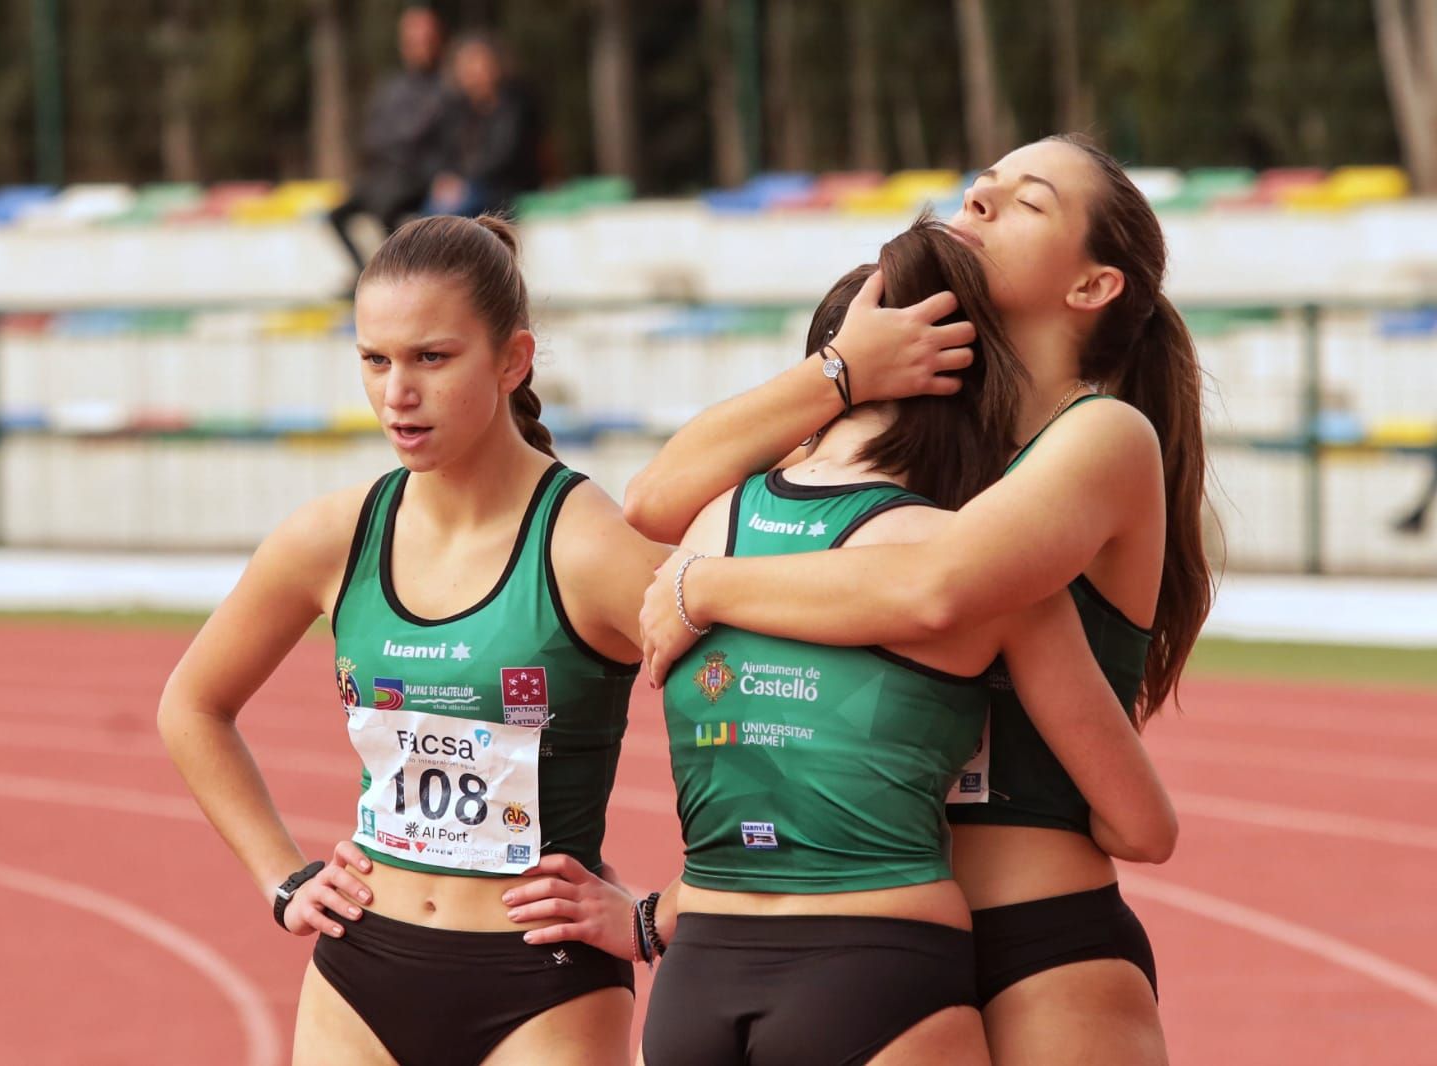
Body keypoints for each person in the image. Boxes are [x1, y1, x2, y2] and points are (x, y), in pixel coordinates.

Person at [503, 220, 1177, 1066]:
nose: (981, 210)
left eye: (1011, 203)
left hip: (723, 965)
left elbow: (917, 602)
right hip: (898, 949)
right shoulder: (981, 567)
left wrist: (702, 583)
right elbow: (1143, 826)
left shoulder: (710, 536)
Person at [159, 213, 667, 1065]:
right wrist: (281, 877)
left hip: (540, 982)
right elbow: (192, 705)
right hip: (362, 971)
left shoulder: (586, 545)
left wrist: (659, 914)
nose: (398, 391)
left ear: (513, 359)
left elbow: (753, 699)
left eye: (432, 358)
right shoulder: (333, 535)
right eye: (375, 359)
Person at [327, 6, 451, 277]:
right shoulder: (391, 87)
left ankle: (396, 276)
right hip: (384, 175)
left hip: (417, 179)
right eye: (413, 40)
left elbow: (445, 142)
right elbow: (374, 135)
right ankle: (365, 275)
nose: (420, 47)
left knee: (389, 210)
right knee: (336, 214)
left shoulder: (448, 87)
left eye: (425, 39)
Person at [426, 34, 541, 218]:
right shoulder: (456, 110)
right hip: (465, 188)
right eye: (467, 66)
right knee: (431, 213)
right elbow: (444, 152)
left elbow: (503, 157)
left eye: (478, 64)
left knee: (452, 213)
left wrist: (463, 181)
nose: (473, 72)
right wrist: (445, 178)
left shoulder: (513, 105)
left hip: (503, 189)